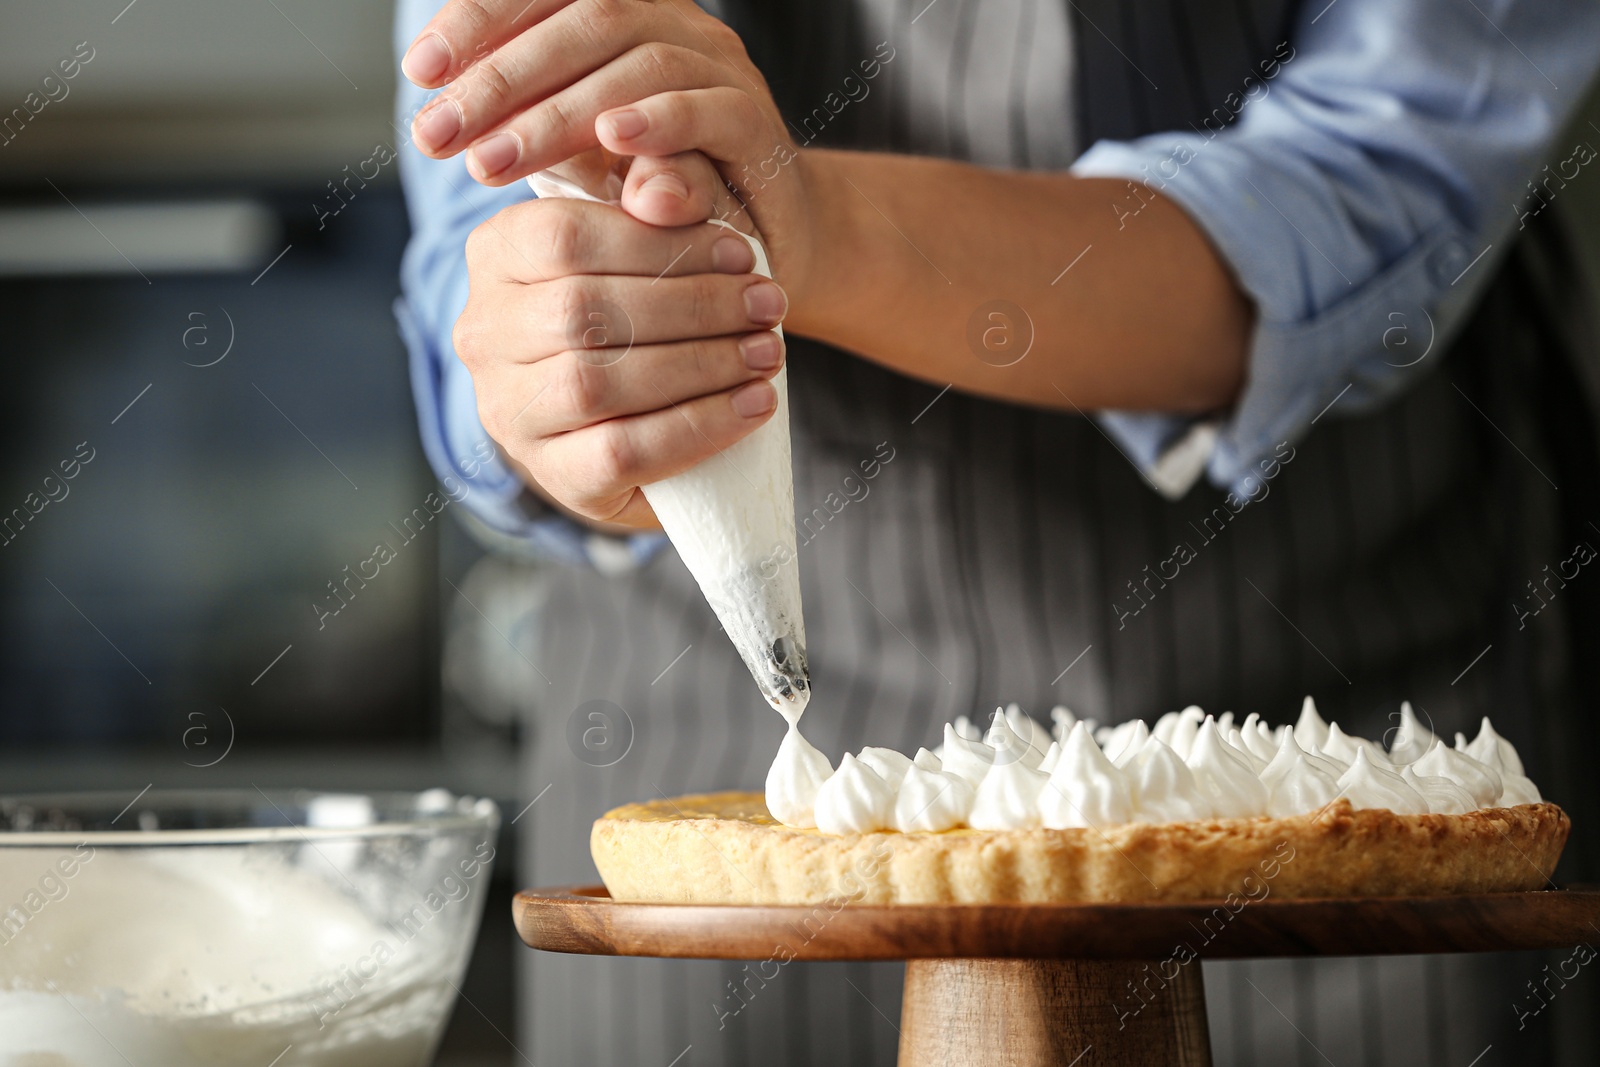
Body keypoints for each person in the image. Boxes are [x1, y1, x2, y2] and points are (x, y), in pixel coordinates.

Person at [393, 0, 1600, 1062]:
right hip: (708, 772)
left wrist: (809, 223)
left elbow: (1370, 184)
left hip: (1312, 765)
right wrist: (562, 369)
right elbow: (486, 230)